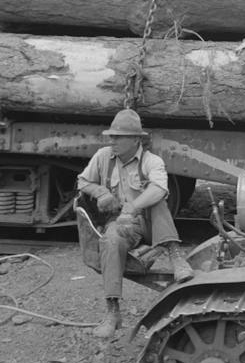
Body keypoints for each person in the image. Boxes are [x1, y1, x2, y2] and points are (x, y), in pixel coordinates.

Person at [77, 108, 193, 338]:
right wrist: (100, 192)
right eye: (111, 136)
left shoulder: (152, 161)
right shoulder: (103, 157)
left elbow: (160, 188)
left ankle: (176, 257)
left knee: (157, 201)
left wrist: (135, 206)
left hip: (147, 223)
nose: (112, 141)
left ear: (136, 140)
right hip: (120, 224)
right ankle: (112, 312)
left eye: (118, 136)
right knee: (110, 240)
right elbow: (82, 182)